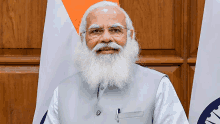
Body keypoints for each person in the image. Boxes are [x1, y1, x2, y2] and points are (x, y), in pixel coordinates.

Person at [44, 1, 189, 124]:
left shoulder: (158, 85)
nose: (106, 38)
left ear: (130, 35)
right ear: (83, 39)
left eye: (115, 30)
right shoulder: (62, 90)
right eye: (96, 31)